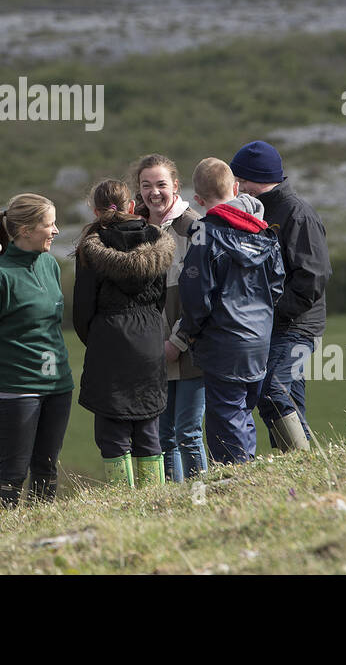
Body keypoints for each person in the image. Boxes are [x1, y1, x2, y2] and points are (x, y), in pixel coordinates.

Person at [171, 158, 285, 465]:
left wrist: (191, 334)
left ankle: (236, 479)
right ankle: (247, 469)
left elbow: (196, 297)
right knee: (243, 412)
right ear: (235, 188)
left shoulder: (203, 235)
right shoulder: (263, 232)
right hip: (260, 341)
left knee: (225, 419)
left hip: (223, 342)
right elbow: (276, 286)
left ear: (197, 199)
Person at [229, 140, 332, 453]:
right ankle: (300, 470)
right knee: (286, 399)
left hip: (297, 327)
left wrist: (269, 311)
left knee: (273, 390)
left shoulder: (297, 215)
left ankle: (300, 460)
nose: (237, 187)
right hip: (271, 327)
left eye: (241, 180)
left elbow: (314, 277)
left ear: (257, 179)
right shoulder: (257, 212)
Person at [72, 178, 174, 487]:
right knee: (147, 427)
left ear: (94, 210)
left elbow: (82, 310)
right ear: (131, 206)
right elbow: (160, 299)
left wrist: (99, 338)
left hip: (108, 341)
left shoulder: (91, 247)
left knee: (113, 431)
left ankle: (122, 500)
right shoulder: (157, 241)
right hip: (150, 341)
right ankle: (155, 497)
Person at [0, 193, 73, 507]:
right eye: (49, 224)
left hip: (59, 386)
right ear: (25, 231)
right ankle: (1, 536)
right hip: (17, 388)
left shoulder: (50, 264)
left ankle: (41, 529)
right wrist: (13, 365)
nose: (56, 231)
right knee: (14, 472)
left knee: (46, 468)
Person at [133, 153, 206, 481]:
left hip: (190, 351)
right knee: (163, 438)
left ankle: (200, 499)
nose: (154, 192)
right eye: (146, 185)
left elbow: (201, 295)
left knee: (188, 433)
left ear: (176, 186)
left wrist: (177, 342)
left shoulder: (193, 227)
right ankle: (174, 504)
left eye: (161, 184)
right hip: (152, 354)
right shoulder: (136, 231)